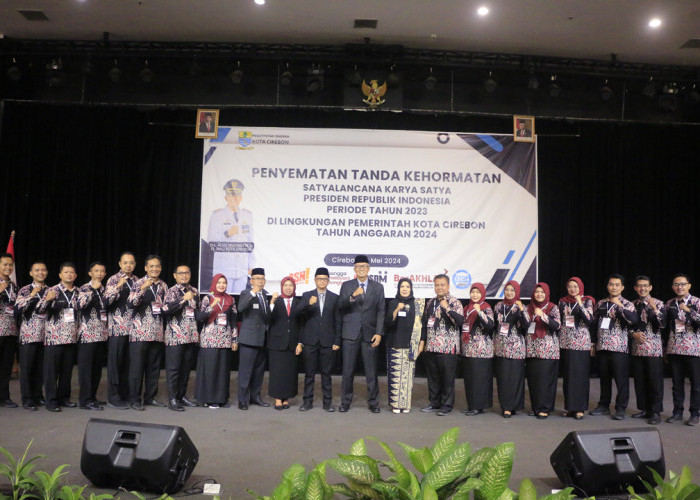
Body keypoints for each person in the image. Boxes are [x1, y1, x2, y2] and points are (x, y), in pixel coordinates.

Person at [337, 255, 385, 413]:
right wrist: (353, 296)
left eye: (364, 266)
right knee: (348, 370)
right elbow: (340, 306)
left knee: (371, 371)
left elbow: (381, 311)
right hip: (350, 333)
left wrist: (379, 333)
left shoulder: (378, 287)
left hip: (370, 334)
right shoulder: (347, 285)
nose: (361, 269)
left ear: (369, 268)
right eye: (358, 267)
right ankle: (345, 402)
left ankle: (373, 403)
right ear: (354, 269)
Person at [590, 274, 638, 420]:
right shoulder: (600, 303)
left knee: (621, 379)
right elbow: (593, 324)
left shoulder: (628, 304)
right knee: (604, 379)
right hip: (603, 346)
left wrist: (620, 306)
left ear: (622, 287)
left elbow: (634, 321)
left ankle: (621, 408)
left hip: (619, 348)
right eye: (611, 284)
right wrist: (593, 343)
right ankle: (603, 405)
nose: (614, 287)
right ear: (607, 286)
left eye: (617, 285)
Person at [127, 255, 167, 411]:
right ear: (145, 268)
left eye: (157, 266)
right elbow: (130, 304)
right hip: (140, 332)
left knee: (153, 368)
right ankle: (134, 399)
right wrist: (143, 289)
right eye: (151, 266)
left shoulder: (164, 285)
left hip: (157, 332)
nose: (154, 269)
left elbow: (164, 308)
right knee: (137, 368)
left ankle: (150, 397)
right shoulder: (137, 283)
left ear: (161, 268)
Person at [420, 274, 464, 416]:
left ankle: (446, 405)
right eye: (437, 285)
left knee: (447, 378)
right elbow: (425, 323)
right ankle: (434, 403)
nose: (439, 287)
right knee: (433, 377)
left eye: (442, 285)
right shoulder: (431, 302)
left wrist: (448, 308)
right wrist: (424, 342)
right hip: (431, 346)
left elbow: (460, 322)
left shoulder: (455, 302)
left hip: (448, 348)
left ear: (448, 286)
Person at [297, 267, 340, 412]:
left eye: (325, 279)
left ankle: (327, 403)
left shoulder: (334, 297)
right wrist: (308, 304)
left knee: (326, 374)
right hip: (310, 341)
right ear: (315, 280)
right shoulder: (307, 295)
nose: (322, 281)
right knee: (309, 373)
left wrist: (337, 341)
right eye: (319, 279)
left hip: (328, 341)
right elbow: (298, 314)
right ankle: (307, 402)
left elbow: (337, 321)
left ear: (328, 281)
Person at [195, 274, 237, 408]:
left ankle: (221, 399)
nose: (222, 285)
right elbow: (200, 317)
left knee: (222, 370)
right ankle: (209, 398)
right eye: (219, 282)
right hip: (209, 339)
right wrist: (212, 305)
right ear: (214, 283)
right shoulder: (208, 298)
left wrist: (234, 339)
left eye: (224, 282)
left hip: (225, 339)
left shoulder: (231, 299)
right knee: (211, 369)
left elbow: (234, 321)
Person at [42, 262, 80, 412]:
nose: (69, 275)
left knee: (67, 371)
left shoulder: (78, 292)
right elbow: (40, 310)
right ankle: (51, 401)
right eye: (66, 272)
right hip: (54, 337)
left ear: (75, 275)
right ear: (60, 275)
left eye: (72, 272)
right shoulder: (52, 290)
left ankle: (64, 398)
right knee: (52, 372)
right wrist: (47, 300)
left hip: (71, 336)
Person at [162, 264, 199, 411]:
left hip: (190, 336)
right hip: (175, 337)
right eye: (181, 273)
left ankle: (181, 396)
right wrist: (183, 299)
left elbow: (196, 312)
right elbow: (166, 310)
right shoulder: (172, 291)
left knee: (186, 369)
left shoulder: (195, 291)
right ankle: (172, 399)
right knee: (174, 369)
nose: (184, 275)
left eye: (187, 273)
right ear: (175, 275)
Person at [207, 179, 254, 294]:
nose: (234, 198)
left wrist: (251, 265)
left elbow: (250, 242)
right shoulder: (217, 215)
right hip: (224, 268)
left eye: (237, 195)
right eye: (231, 195)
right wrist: (227, 234)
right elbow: (211, 240)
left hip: (242, 269)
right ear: (226, 198)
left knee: (240, 302)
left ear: (241, 198)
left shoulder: (247, 215)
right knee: (223, 302)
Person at [385, 278, 425, 413]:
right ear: (398, 288)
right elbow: (388, 323)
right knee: (396, 374)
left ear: (411, 288)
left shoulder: (417, 304)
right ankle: (396, 404)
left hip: (411, 345)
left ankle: (406, 404)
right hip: (395, 344)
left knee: (407, 376)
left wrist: (421, 343)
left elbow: (422, 325)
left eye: (407, 286)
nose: (405, 289)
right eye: (402, 286)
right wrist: (396, 310)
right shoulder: (393, 303)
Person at [558, 277, 595, 420]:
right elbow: (562, 319)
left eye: (575, 286)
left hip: (581, 343)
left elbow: (589, 320)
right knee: (568, 377)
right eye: (569, 286)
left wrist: (580, 304)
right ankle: (570, 407)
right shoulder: (562, 301)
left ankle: (580, 408)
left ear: (580, 287)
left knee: (580, 376)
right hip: (566, 342)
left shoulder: (587, 301)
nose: (572, 289)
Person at [665, 274, 700, 426]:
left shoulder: (696, 301)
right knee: (676, 383)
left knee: (696, 384)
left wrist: (688, 310)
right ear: (673, 287)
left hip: (693, 349)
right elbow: (666, 326)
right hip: (674, 348)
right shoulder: (669, 303)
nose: (680, 287)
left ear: (689, 286)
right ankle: (677, 412)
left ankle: (694, 413)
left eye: (683, 284)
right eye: (676, 284)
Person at [104, 252, 138, 409]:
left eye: (131, 263)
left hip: (134, 329)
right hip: (117, 328)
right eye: (125, 263)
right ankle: (113, 396)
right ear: (119, 264)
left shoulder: (138, 281)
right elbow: (106, 302)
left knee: (128, 364)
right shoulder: (113, 279)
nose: (128, 266)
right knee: (115, 364)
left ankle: (125, 394)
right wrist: (118, 286)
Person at [630, 275, 665, 425]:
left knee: (654, 381)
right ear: (635, 288)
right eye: (639, 286)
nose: (642, 288)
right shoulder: (632, 305)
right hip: (637, 348)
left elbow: (663, 324)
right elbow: (628, 325)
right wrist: (634, 334)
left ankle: (655, 411)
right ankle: (644, 409)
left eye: (645, 285)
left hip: (653, 348)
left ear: (650, 287)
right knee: (640, 380)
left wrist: (654, 308)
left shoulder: (658, 303)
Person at [15, 262, 49, 411]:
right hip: (29, 335)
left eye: (43, 270)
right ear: (31, 273)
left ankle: (37, 395)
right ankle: (27, 398)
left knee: (40, 369)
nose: (40, 273)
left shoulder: (50, 290)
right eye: (37, 270)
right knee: (27, 368)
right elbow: (18, 309)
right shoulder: (25, 290)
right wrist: (32, 295)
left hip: (46, 335)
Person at [524, 282, 561, 419]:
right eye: (537, 292)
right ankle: (535, 407)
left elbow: (557, 326)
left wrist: (542, 315)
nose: (539, 294)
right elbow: (524, 325)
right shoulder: (528, 308)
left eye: (542, 292)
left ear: (547, 294)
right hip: (532, 349)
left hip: (548, 350)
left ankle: (544, 408)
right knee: (534, 381)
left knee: (546, 381)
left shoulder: (552, 308)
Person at [76, 262, 109, 411]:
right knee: (86, 369)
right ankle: (85, 400)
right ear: (90, 273)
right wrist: (91, 291)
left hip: (101, 334)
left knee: (96, 369)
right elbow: (79, 305)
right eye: (96, 271)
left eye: (102, 271)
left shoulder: (104, 289)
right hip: (87, 335)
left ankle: (93, 397)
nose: (99, 274)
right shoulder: (84, 288)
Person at [237, 267, 270, 410]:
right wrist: (252, 293)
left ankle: (255, 397)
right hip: (249, 339)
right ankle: (243, 400)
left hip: (262, 338)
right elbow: (241, 308)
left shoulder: (265, 295)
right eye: (257, 278)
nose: (260, 281)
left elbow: (267, 317)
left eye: (262, 279)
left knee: (258, 371)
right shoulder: (246, 293)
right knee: (246, 371)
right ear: (251, 281)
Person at [493, 280, 526, 418]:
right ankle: (505, 406)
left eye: (512, 290)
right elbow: (495, 325)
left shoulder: (520, 306)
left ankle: (514, 406)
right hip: (501, 346)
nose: (509, 292)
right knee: (503, 378)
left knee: (515, 378)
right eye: (507, 289)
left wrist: (522, 310)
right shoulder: (498, 306)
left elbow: (526, 325)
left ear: (517, 292)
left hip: (516, 347)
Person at [460, 282, 494, 416]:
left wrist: (479, 312)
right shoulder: (466, 308)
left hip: (481, 349)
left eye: (477, 292)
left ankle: (478, 406)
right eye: (473, 292)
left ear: (482, 294)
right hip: (468, 348)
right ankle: (472, 405)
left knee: (479, 379)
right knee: (470, 378)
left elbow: (490, 325)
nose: (475, 295)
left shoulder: (486, 307)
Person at [268, 277, 302, 410]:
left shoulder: (299, 303)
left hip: (292, 343)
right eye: (285, 285)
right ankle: (277, 398)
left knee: (289, 372)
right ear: (282, 287)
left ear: (294, 287)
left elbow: (301, 324)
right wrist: (271, 303)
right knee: (277, 372)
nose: (288, 288)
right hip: (277, 343)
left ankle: (286, 398)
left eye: (290, 285)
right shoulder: (276, 301)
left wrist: (300, 342)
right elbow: (269, 320)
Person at [0, 253, 18, 408]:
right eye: (5, 264)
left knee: (6, 366)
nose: (8, 267)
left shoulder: (13, 285)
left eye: (10, 265)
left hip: (10, 330)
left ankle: (4, 397)